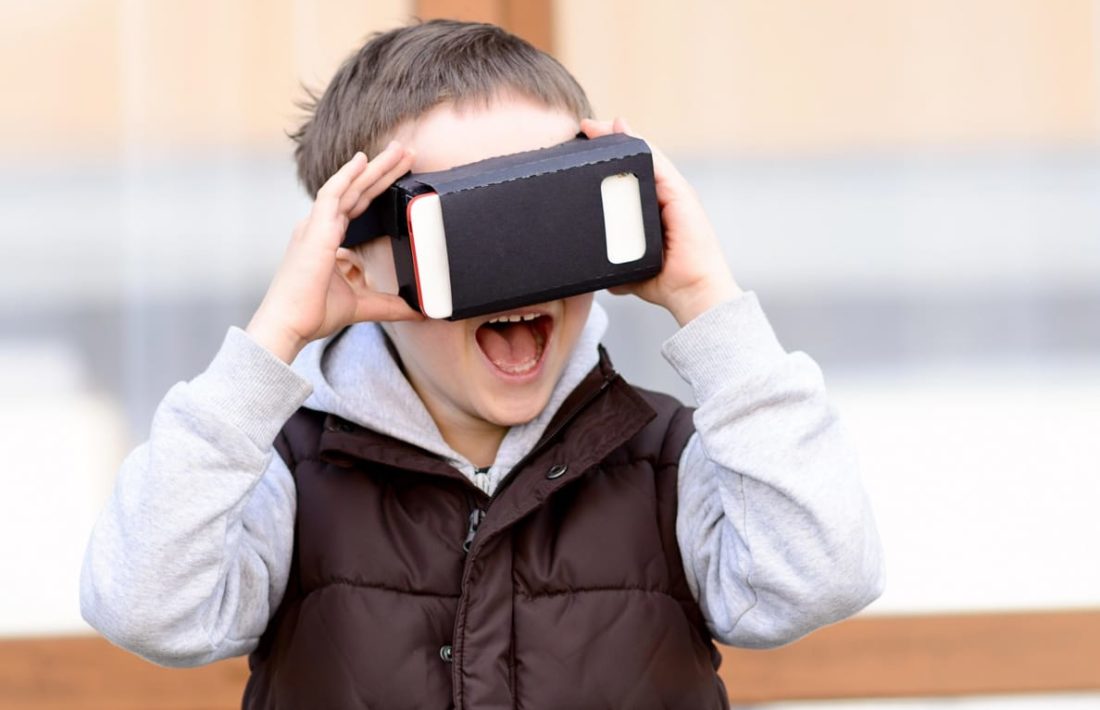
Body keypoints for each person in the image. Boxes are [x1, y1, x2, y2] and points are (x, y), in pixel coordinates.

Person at [80, 19, 885, 709]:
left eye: (549, 207)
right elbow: (145, 607)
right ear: (357, 265)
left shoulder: (669, 460)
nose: (519, 261)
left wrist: (709, 299)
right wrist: (270, 345)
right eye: (467, 227)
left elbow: (823, 578)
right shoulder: (285, 471)